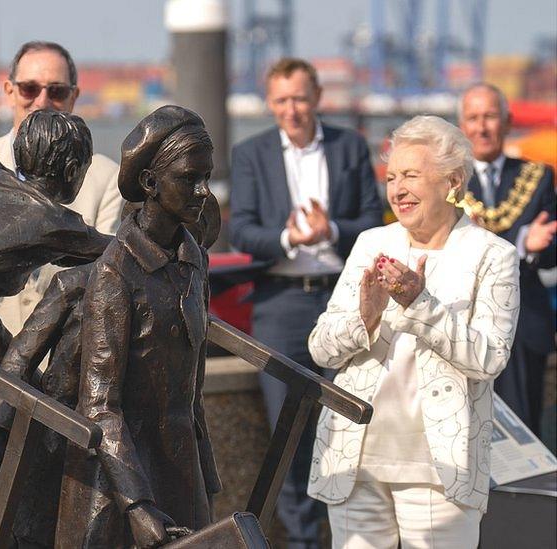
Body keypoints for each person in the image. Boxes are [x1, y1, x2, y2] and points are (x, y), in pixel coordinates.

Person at [308, 115, 519, 548]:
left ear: (453, 182)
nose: (397, 189)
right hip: (354, 462)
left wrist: (420, 305)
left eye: (411, 176)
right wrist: (364, 319)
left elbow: (490, 359)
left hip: (440, 469)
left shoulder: (493, 255)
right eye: (391, 177)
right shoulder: (371, 243)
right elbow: (320, 349)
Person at [0, 194, 221, 548]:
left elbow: (192, 397)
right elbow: (19, 359)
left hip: (149, 445)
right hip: (74, 435)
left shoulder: (188, 288)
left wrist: (208, 478)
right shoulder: (81, 283)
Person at [227, 57, 383, 548]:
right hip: (280, 304)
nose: (291, 110)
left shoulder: (350, 147)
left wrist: (330, 230)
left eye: (298, 98)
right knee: (287, 435)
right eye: (281, 101)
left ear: (316, 98)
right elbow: (242, 230)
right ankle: (301, 542)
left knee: (350, 427)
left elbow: (374, 222)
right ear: (270, 104)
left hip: (343, 301)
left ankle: (351, 535)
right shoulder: (250, 153)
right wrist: (290, 238)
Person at [56, 106, 221, 549]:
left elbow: (193, 388)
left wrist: (207, 480)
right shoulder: (116, 273)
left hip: (181, 469)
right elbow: (99, 405)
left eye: (207, 176)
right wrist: (137, 505)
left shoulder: (194, 261)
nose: (203, 191)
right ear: (150, 183)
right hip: (121, 478)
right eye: (190, 178)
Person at [0, 40, 123, 335]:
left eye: (56, 91)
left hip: (61, 357)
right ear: (9, 91)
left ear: (74, 96)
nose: (42, 101)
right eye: (30, 88)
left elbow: (108, 278)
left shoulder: (106, 178)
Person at [458, 82, 556, 435]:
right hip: (462, 324)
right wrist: (520, 241)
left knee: (524, 434)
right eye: (473, 118)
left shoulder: (537, 176)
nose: (481, 127)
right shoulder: (449, 182)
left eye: (489, 116)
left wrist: (538, 245)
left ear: (507, 121)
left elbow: (551, 257)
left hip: (523, 325)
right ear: (462, 126)